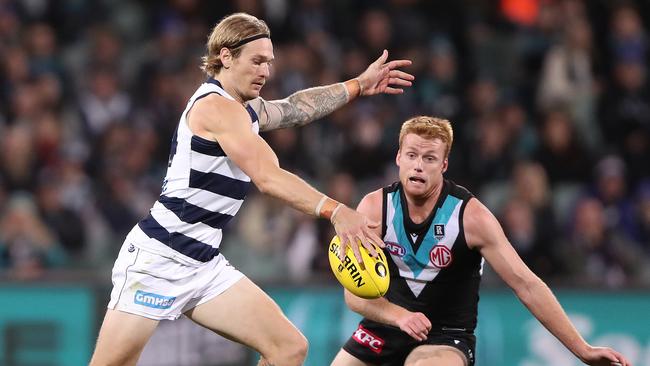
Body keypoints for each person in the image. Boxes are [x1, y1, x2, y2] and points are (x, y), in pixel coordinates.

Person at [89, 12, 414, 366]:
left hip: (203, 263)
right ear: (226, 57)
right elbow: (267, 177)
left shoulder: (243, 108)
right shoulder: (216, 108)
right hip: (159, 259)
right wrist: (336, 211)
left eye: (269, 63)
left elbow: (294, 109)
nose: (266, 71)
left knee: (288, 347)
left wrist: (358, 86)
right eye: (257, 61)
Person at [331, 116, 630, 366]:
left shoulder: (471, 218)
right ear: (398, 158)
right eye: (411, 155)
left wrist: (583, 349)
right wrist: (399, 317)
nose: (418, 166)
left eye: (429, 158)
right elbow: (354, 295)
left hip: (445, 336)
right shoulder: (374, 209)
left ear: (444, 165)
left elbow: (526, 284)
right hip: (385, 327)